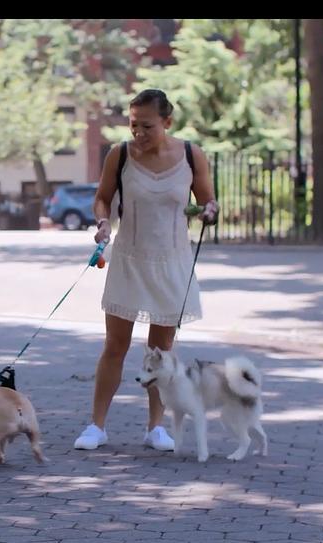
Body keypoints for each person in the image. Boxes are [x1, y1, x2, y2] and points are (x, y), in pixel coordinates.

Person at [73, 89, 219, 452]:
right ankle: (97, 426)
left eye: (148, 126)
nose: (139, 132)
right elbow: (102, 197)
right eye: (133, 124)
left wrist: (210, 211)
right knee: (115, 346)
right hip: (129, 259)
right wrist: (104, 221)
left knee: (161, 349)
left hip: (173, 262)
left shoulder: (190, 155)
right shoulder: (119, 154)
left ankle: (156, 428)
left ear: (168, 122)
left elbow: (207, 200)